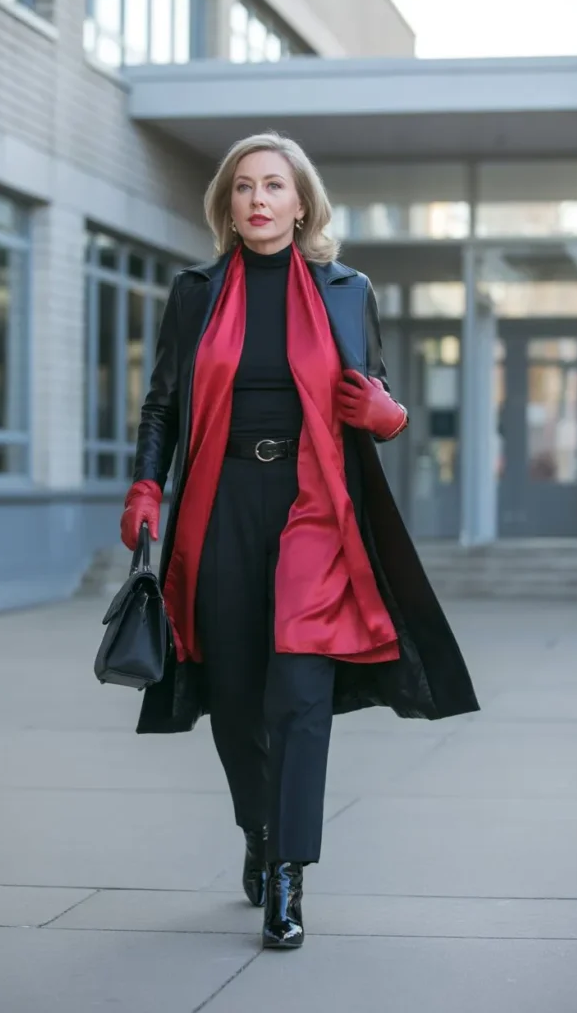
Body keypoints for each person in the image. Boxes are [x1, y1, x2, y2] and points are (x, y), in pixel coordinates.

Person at [121, 132, 479, 950]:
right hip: (223, 502)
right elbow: (162, 404)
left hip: (316, 505)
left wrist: (388, 415)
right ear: (228, 204)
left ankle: (288, 871)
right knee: (236, 695)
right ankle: (257, 829)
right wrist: (146, 484)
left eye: (273, 186)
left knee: (299, 695)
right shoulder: (196, 292)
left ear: (300, 202)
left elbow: (376, 390)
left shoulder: (347, 291)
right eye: (242, 186)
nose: (256, 199)